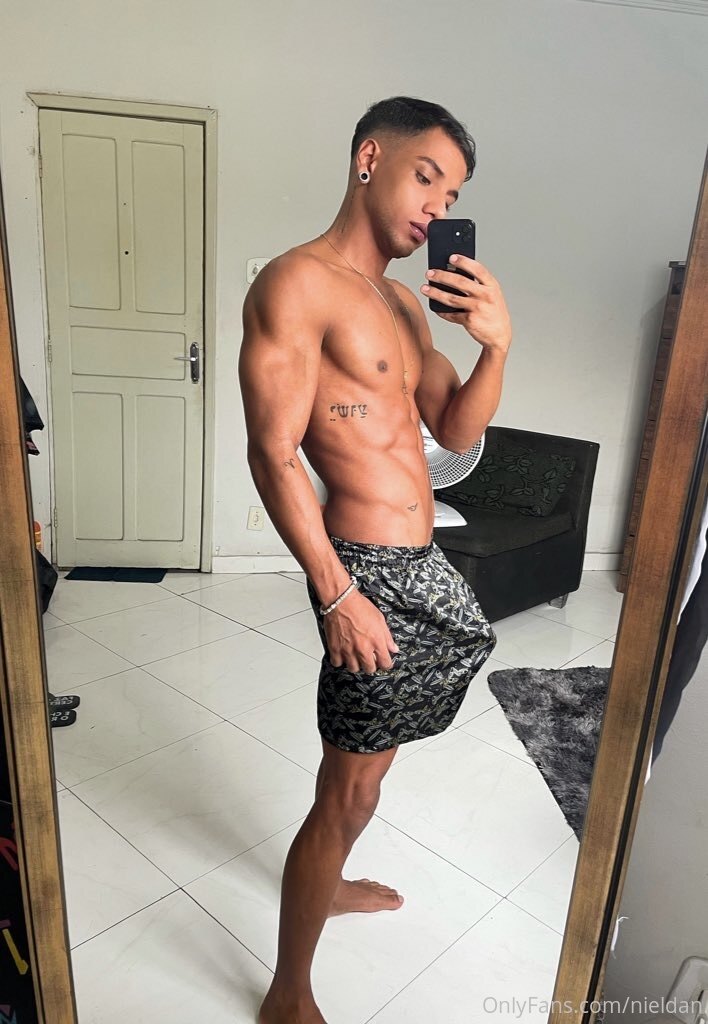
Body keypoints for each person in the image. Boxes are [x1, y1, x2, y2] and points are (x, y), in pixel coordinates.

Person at [238, 95, 512, 1024]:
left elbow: (456, 431)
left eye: (454, 194)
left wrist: (496, 347)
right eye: (426, 176)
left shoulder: (401, 303)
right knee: (347, 789)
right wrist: (337, 594)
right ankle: (288, 991)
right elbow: (272, 452)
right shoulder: (296, 284)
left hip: (419, 560)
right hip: (364, 572)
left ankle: (331, 882)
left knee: (364, 780)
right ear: (369, 159)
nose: (438, 205)